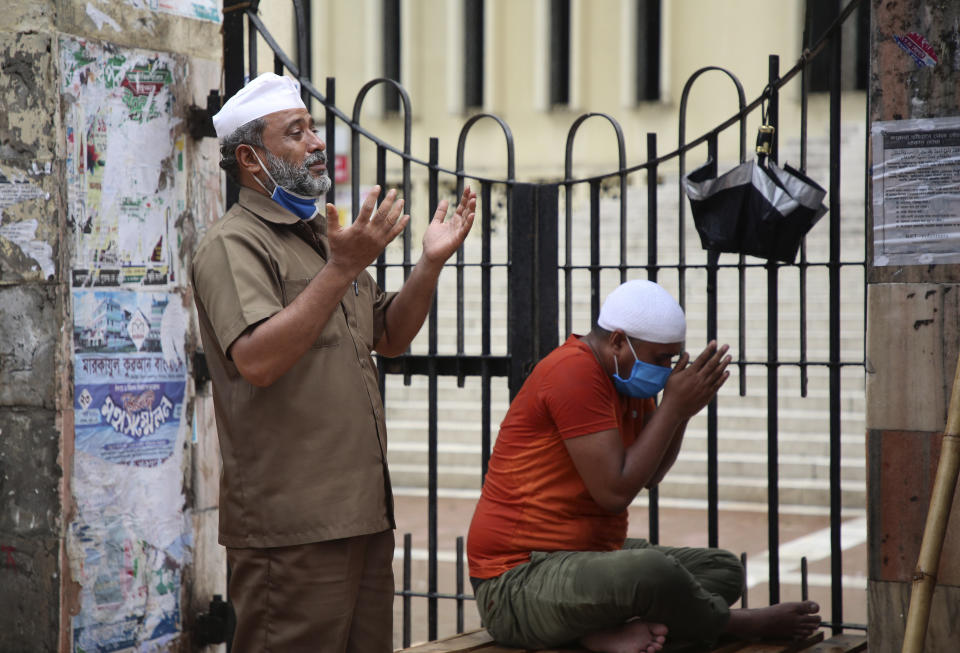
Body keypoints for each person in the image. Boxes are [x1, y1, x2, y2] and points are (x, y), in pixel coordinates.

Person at [192, 72, 475, 653]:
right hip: (292, 530)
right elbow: (258, 359)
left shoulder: (322, 238)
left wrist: (428, 264)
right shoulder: (234, 244)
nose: (317, 142)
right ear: (251, 158)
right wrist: (342, 268)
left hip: (363, 517)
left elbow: (389, 334)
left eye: (313, 128)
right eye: (296, 132)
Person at [466, 280, 821, 653]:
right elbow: (614, 493)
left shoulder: (628, 381)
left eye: (672, 359)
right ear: (618, 342)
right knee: (654, 573)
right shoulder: (573, 371)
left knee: (722, 568)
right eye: (660, 359)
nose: (666, 371)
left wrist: (680, 412)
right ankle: (736, 623)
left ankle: (595, 630)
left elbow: (651, 475)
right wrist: (673, 408)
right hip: (516, 580)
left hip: (586, 559)